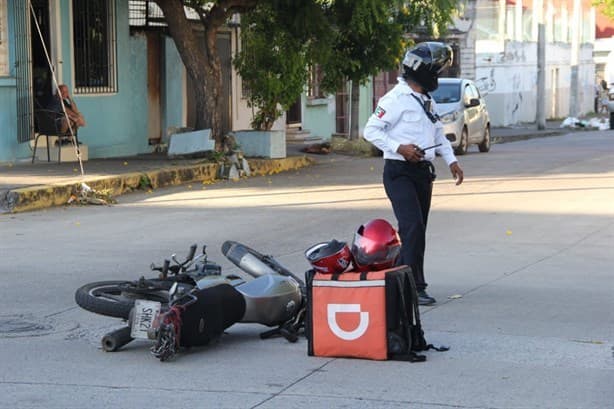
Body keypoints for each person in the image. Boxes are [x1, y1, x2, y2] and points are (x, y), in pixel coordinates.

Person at [363, 42, 464, 306]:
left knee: (417, 231)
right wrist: (400, 148)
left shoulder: (426, 100)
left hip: (422, 174)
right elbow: (371, 131)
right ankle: (415, 287)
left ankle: (395, 276)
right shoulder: (395, 100)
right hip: (399, 172)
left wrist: (451, 161)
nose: (438, 77)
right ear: (423, 71)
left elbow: (438, 133)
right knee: (413, 228)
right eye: (436, 71)